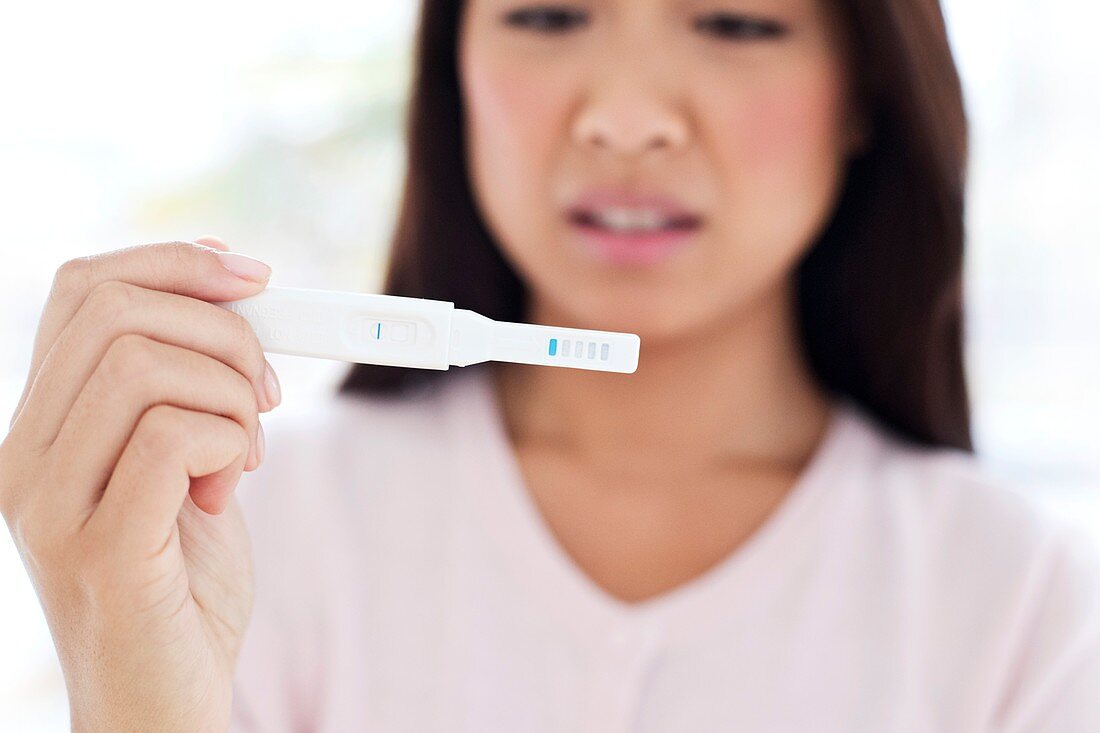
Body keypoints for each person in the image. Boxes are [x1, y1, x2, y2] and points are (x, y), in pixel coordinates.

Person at [2, 0, 1098, 730]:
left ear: (862, 87)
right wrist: (128, 676)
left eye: (733, 20)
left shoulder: (1013, 600)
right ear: (454, 68)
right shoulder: (236, 519)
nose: (623, 120)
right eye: (546, 13)